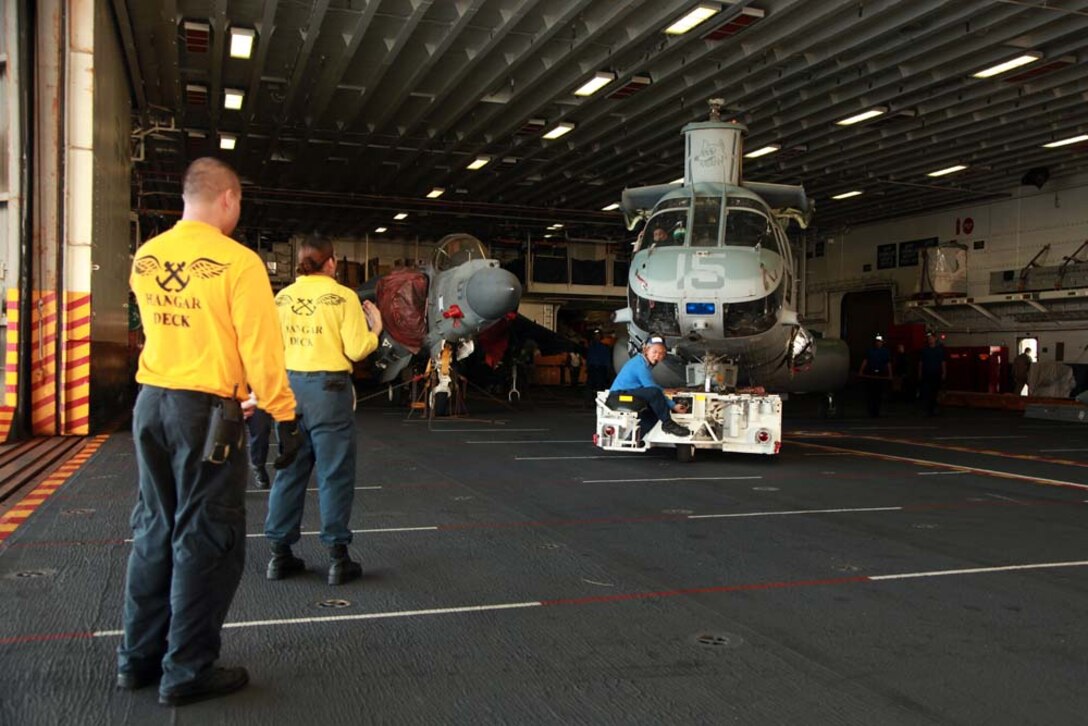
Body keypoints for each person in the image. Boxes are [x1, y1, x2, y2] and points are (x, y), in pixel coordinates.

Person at [119, 157, 301, 706]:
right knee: (207, 536)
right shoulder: (236, 262)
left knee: (155, 528)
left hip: (151, 403)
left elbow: (178, 332)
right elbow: (260, 346)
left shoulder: (147, 257)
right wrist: (282, 411)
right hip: (203, 415)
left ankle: (138, 658)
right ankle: (187, 670)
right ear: (228, 197)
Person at [265, 235, 383, 586]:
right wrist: (375, 327)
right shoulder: (344, 297)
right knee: (334, 474)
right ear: (331, 263)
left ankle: (279, 555)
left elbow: (272, 346)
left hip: (289, 391)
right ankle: (337, 558)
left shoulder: (282, 298)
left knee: (289, 471)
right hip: (328, 392)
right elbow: (358, 348)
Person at [609, 335, 689, 436]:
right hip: (619, 396)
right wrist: (673, 405)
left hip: (627, 394)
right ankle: (668, 424)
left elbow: (650, 387)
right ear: (646, 350)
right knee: (654, 393)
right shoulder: (640, 365)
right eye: (654, 352)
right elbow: (652, 389)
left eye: (661, 353)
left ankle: (636, 436)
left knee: (655, 411)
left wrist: (663, 390)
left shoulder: (644, 363)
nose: (657, 356)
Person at [859, 333, 892, 417]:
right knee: (870, 394)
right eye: (877, 341)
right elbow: (865, 361)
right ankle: (870, 411)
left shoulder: (885, 352)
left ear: (882, 342)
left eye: (880, 342)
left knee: (878, 394)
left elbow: (888, 363)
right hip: (871, 374)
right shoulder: (870, 351)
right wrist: (861, 371)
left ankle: (876, 412)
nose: (878, 343)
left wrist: (890, 374)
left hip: (881, 374)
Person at [918, 330, 947, 416]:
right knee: (927, 392)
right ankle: (929, 409)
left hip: (936, 374)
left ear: (935, 339)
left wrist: (944, 373)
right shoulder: (924, 350)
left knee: (935, 392)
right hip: (926, 374)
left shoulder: (939, 350)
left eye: (931, 338)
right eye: (928, 338)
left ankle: (934, 408)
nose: (930, 340)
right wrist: (920, 373)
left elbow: (943, 362)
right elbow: (921, 363)